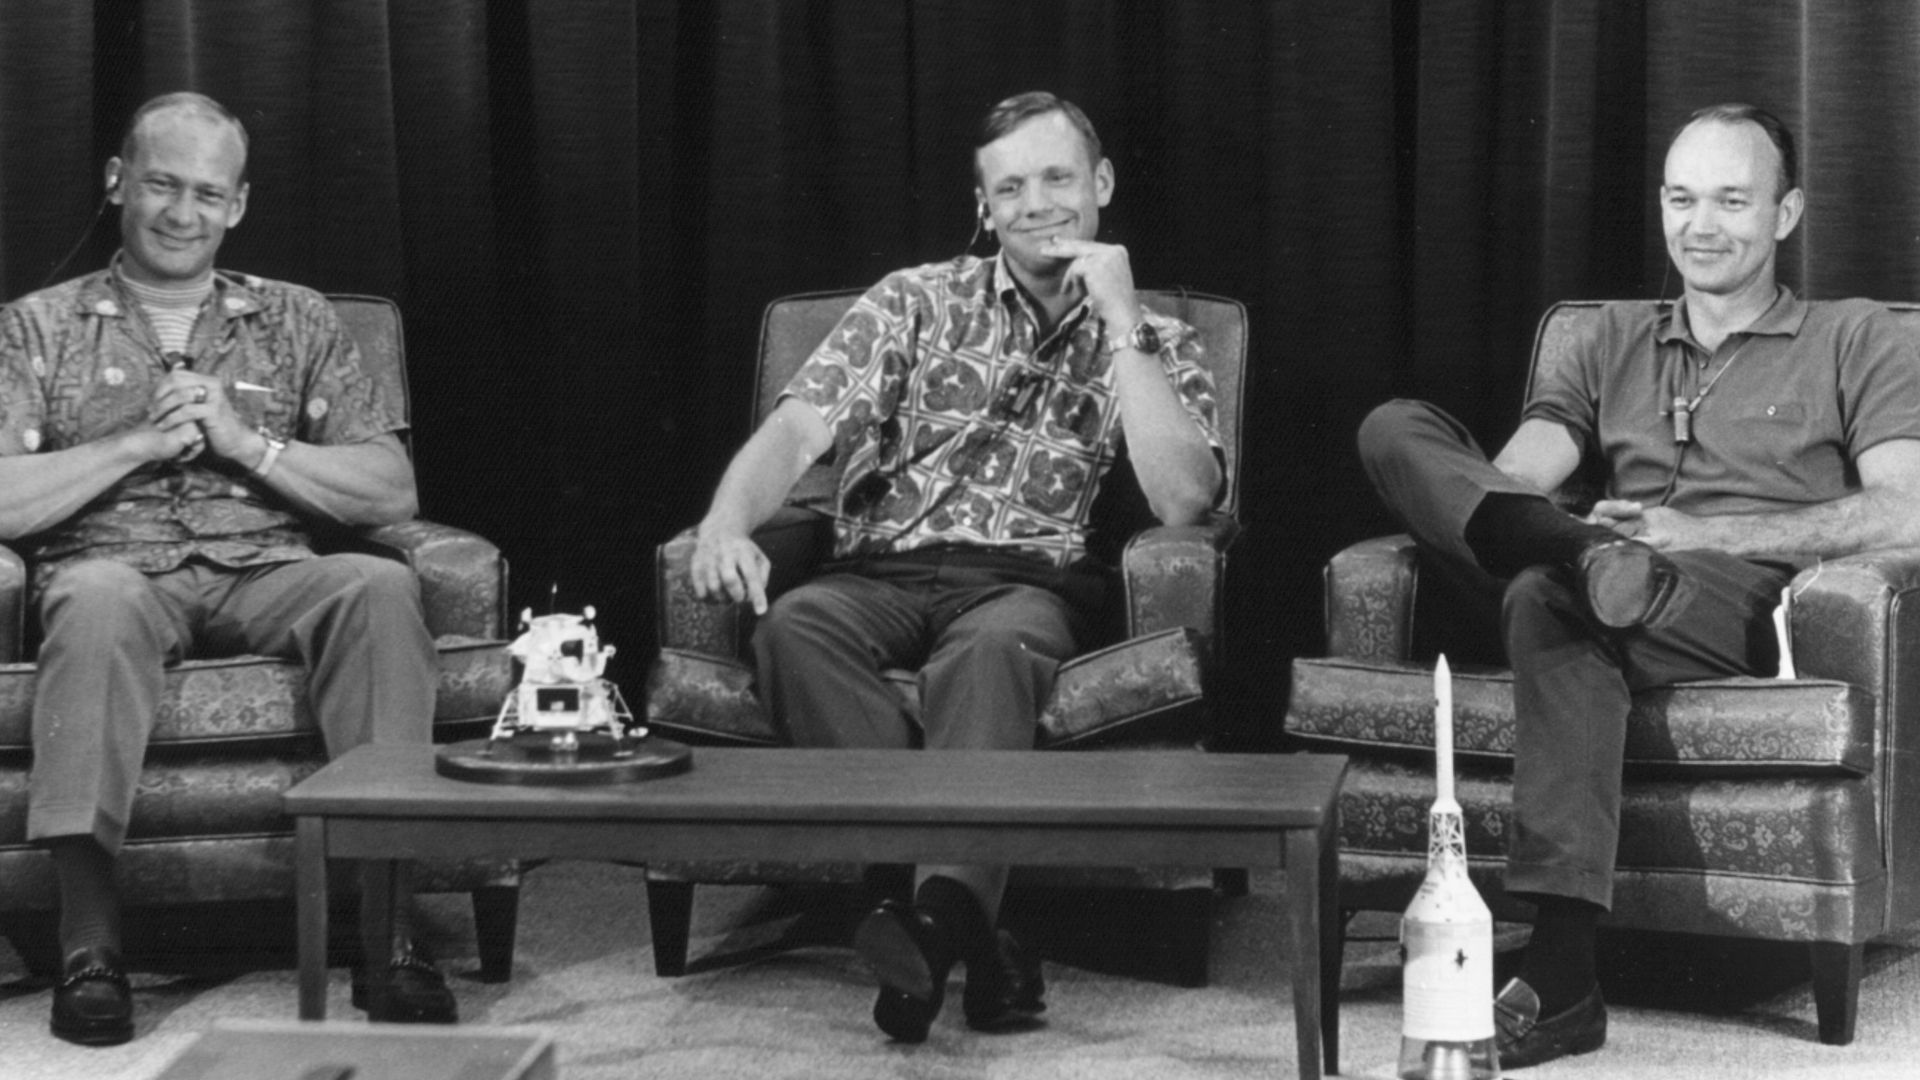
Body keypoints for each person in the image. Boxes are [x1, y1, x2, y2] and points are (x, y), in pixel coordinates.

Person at [1357, 103, 1920, 1069]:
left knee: (1548, 594)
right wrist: (1551, 531)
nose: (1702, 226)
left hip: (1733, 598)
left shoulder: (1855, 335)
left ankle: (1562, 967)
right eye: (1681, 199)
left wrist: (1700, 533)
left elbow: (1907, 508)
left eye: (1732, 200)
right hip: (1588, 563)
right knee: (1395, 429)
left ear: (1786, 213)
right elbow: (1515, 476)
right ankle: (1580, 559)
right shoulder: (1606, 335)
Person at [689, 91, 1224, 1042]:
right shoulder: (913, 300)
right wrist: (724, 522)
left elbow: (1185, 500)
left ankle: (925, 926)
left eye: (1057, 178)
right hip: (878, 574)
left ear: (1101, 183)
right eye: (1009, 188)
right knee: (792, 630)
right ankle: (969, 928)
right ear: (984, 206)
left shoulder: (1157, 338)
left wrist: (1120, 318)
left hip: (1022, 585)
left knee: (991, 656)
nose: (1036, 204)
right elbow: (796, 432)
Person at [0, 92, 457, 1045]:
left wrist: (249, 445)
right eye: (161, 184)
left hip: (266, 565)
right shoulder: (35, 327)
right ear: (118, 182)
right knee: (94, 601)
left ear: (238, 204)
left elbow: (390, 489)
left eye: (208, 194)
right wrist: (133, 444)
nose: (182, 213)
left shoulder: (297, 318)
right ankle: (90, 946)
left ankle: (390, 936)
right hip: (113, 565)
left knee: (377, 586)